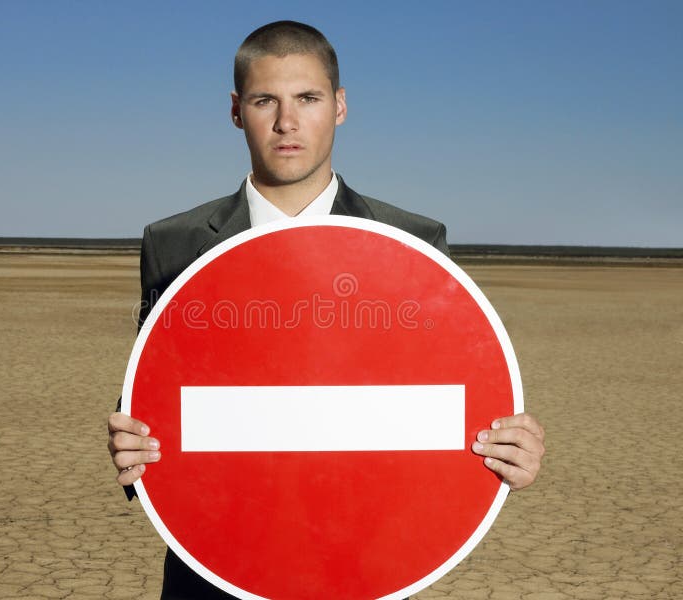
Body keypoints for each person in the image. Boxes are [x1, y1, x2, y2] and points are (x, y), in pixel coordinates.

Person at [107, 20, 546, 599]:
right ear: (237, 111)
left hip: (363, 566)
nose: (287, 122)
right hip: (218, 568)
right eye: (266, 100)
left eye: (308, 99)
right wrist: (130, 445)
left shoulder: (412, 242)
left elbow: (444, 401)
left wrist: (506, 453)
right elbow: (156, 393)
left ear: (339, 106)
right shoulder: (176, 243)